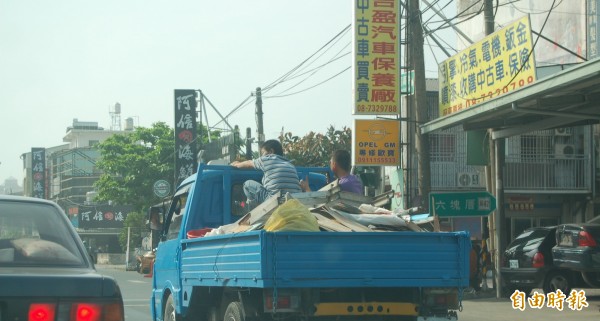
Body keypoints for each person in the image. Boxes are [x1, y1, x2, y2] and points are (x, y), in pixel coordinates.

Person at [231, 139, 302, 207]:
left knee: (247, 185)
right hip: (294, 202)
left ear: (271, 151)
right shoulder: (290, 165)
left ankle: (253, 209)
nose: (261, 156)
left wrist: (237, 164)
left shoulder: (267, 159)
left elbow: (249, 163)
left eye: (263, 153)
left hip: (275, 201)